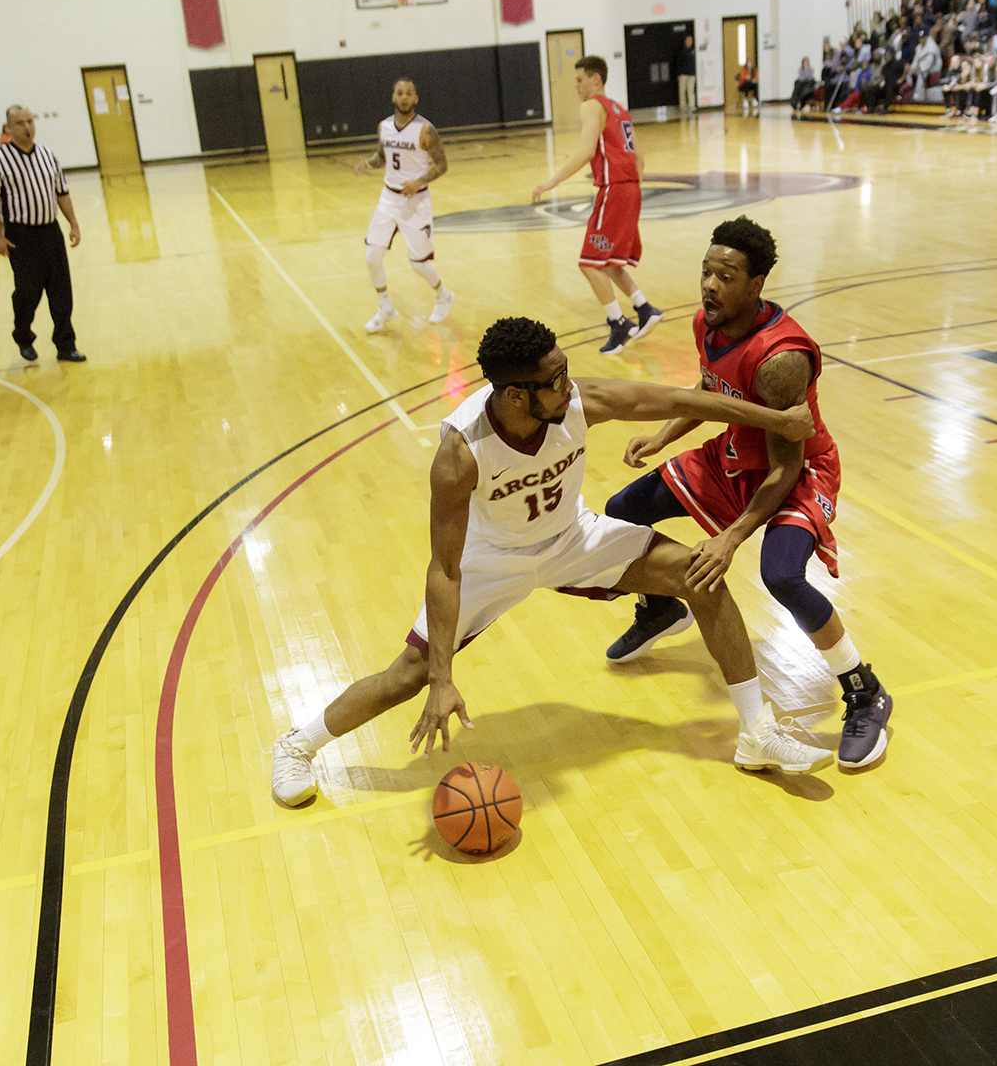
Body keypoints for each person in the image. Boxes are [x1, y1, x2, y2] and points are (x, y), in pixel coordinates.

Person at [268, 316, 832, 807]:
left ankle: (757, 731)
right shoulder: (460, 452)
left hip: (571, 540)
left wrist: (775, 420)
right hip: (493, 561)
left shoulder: (579, 404)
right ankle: (298, 744)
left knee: (700, 579)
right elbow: (444, 568)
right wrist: (443, 677)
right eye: (555, 380)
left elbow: (682, 400)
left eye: (566, 371)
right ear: (516, 395)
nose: (569, 386)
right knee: (409, 676)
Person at [601, 217, 895, 770]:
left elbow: (785, 467)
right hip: (738, 454)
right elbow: (711, 390)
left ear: (756, 284)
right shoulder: (707, 324)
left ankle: (864, 689)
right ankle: (661, 608)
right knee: (622, 511)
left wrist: (731, 539)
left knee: (780, 573)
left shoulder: (781, 360)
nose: (710, 285)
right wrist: (661, 436)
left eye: (726, 276)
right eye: (706, 272)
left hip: (799, 470)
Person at [532, 56, 663, 355]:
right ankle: (644, 309)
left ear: (596, 79)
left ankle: (619, 323)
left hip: (614, 189)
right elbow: (640, 159)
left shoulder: (592, 106)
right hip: (631, 189)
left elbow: (586, 151)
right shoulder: (621, 109)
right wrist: (629, 186)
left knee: (589, 264)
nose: (576, 85)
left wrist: (552, 182)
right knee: (611, 262)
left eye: (580, 79)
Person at [0, 106, 86, 364]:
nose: (26, 127)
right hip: (21, 234)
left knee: (61, 290)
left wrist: (73, 223)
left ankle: (65, 344)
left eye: (29, 121)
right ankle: (23, 334)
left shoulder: (48, 155)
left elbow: (61, 192)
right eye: (19, 123)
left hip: (50, 230)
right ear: (8, 128)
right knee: (28, 291)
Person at [353, 79, 456, 334]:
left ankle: (443, 295)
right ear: (393, 97)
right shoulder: (385, 126)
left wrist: (419, 181)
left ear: (416, 98)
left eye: (409, 93)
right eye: (400, 93)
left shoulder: (426, 129)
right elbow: (381, 157)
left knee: (418, 264)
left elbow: (442, 165)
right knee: (372, 256)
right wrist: (367, 164)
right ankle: (385, 308)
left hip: (416, 201)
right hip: (388, 198)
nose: (404, 97)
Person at [677, 34, 699, 113]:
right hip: (683, 74)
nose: (689, 42)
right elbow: (678, 63)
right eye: (687, 40)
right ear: (685, 41)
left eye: (690, 40)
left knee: (691, 90)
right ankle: (683, 106)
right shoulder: (681, 51)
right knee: (682, 91)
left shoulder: (694, 51)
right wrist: (679, 74)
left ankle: (691, 106)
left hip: (691, 74)